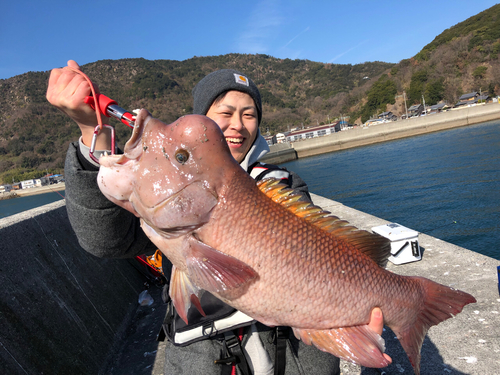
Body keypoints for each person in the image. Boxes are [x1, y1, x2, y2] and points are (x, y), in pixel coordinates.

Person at [47, 60, 389, 375]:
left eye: (249, 114)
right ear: (203, 119)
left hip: (294, 357)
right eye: (225, 112)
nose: (238, 125)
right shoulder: (163, 206)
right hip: (205, 358)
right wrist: (95, 131)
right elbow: (104, 239)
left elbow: (316, 250)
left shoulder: (282, 184)